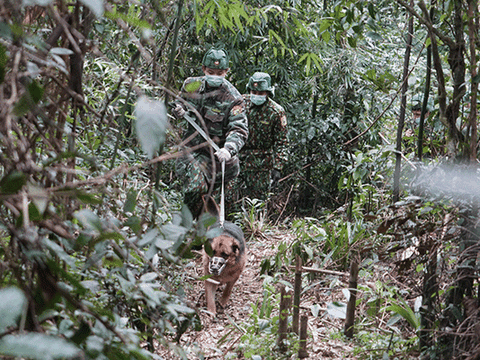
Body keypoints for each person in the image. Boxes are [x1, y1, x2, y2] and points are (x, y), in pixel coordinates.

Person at [172, 47, 249, 217]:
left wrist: (229, 149)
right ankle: (186, 227)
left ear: (226, 72)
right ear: (203, 70)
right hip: (192, 150)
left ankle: (203, 233)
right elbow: (179, 102)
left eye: (219, 73)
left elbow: (239, 128)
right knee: (195, 189)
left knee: (211, 202)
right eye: (211, 72)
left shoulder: (234, 98)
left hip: (219, 157)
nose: (215, 76)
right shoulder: (191, 84)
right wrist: (179, 110)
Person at [227, 72, 288, 211]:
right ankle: (229, 228)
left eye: (261, 92)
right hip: (238, 158)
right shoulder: (240, 103)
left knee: (258, 203)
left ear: (268, 92)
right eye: (254, 91)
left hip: (261, 164)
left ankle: (254, 229)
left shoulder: (276, 112)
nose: (257, 95)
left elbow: (282, 142)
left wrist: (277, 167)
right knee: (228, 195)